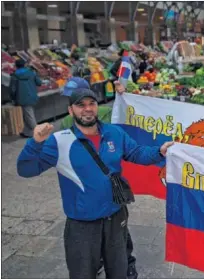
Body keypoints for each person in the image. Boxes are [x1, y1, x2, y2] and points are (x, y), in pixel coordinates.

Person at [17, 88, 174, 279]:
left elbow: (136, 153)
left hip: (116, 217)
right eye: (81, 105)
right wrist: (35, 143)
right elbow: (26, 170)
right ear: (70, 110)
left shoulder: (114, 133)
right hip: (82, 225)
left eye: (91, 104)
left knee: (119, 272)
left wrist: (160, 151)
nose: (87, 109)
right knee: (83, 274)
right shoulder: (59, 141)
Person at [59, 77, 138, 278]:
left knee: (118, 236)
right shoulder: (69, 125)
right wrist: (123, 96)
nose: (84, 108)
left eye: (88, 102)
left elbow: (117, 118)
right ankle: (123, 264)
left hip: (107, 194)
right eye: (75, 101)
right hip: (91, 199)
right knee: (117, 237)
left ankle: (123, 262)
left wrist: (122, 96)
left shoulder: (79, 119)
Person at [9, 59, 43, 138]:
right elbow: (39, 83)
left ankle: (38, 132)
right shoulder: (32, 72)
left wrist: (12, 98)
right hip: (33, 96)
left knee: (29, 115)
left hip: (22, 98)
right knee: (27, 114)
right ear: (24, 65)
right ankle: (27, 132)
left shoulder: (14, 76)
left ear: (16, 66)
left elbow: (12, 89)